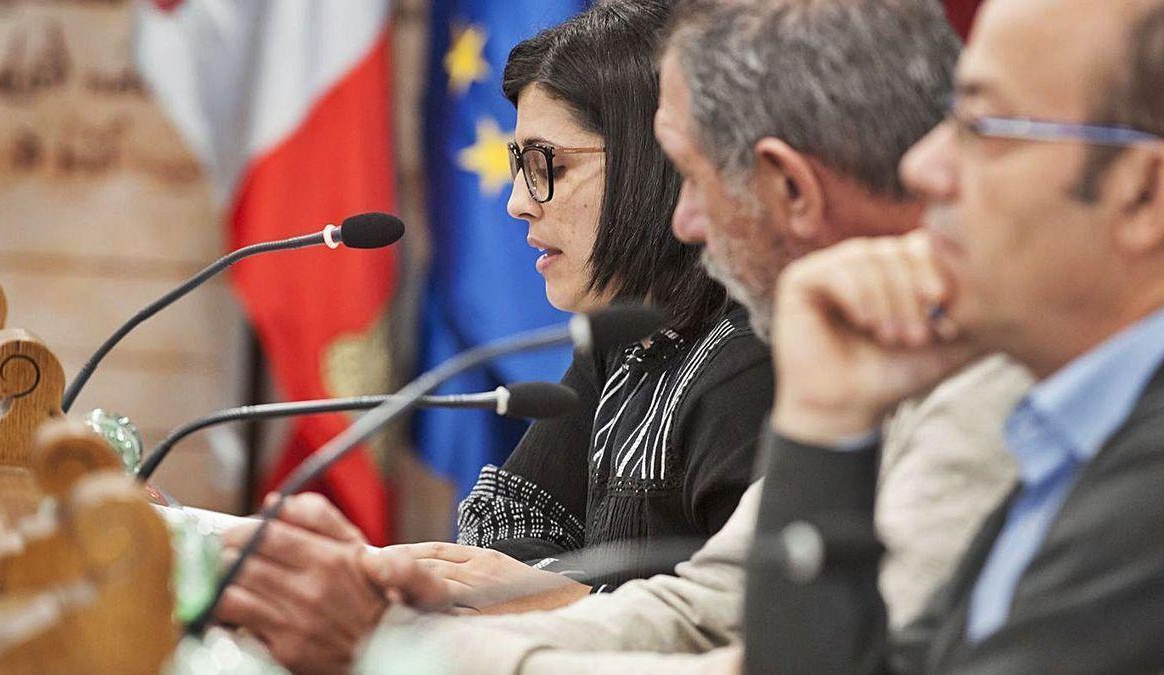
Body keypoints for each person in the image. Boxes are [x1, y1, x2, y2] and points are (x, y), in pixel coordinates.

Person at [213, 2, 1027, 673]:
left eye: (695, 177)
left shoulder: (976, 374)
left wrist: (393, 644)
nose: (683, 219)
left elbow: (770, 661)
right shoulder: (856, 340)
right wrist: (408, 616)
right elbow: (698, 604)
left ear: (787, 184)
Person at [746, 0, 1164, 672]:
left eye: (982, 125)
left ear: (1144, 195)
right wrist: (827, 419)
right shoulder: (1078, 446)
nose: (922, 165)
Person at [417, 0, 773, 608]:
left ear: (650, 161)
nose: (519, 204)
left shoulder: (748, 361)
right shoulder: (627, 336)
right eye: (518, 165)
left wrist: (567, 600)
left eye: (544, 163)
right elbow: (500, 531)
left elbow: (743, 625)